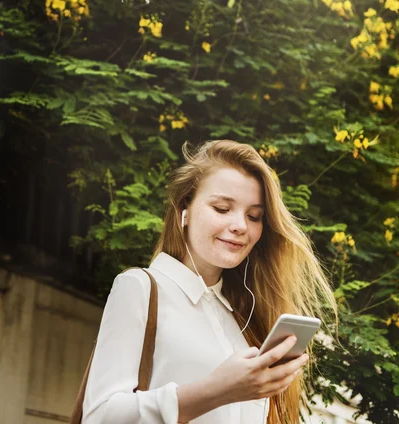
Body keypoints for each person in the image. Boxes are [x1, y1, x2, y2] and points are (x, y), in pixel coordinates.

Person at [82, 139, 337, 424]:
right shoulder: (139, 287)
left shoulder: (242, 317)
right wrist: (218, 390)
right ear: (185, 210)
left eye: (254, 216)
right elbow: (100, 415)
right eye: (222, 208)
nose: (241, 225)